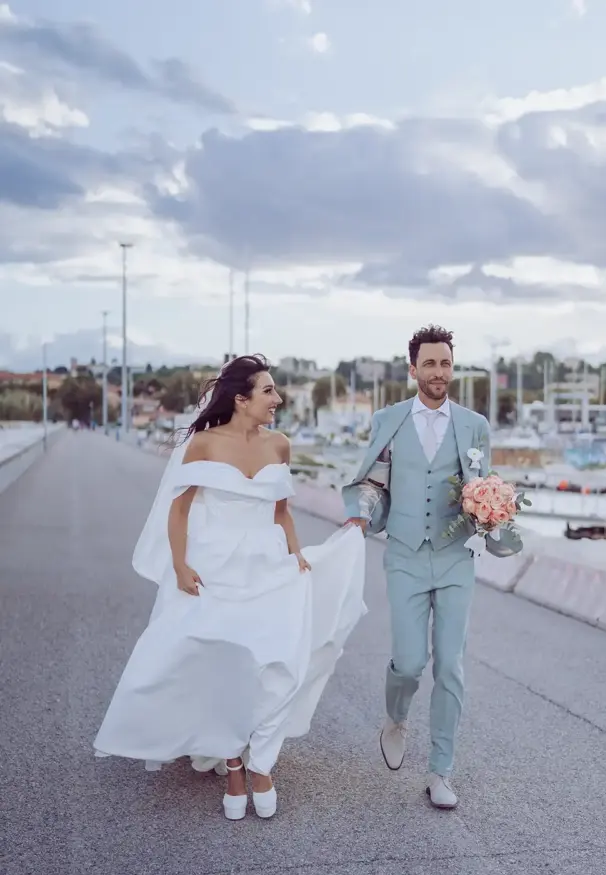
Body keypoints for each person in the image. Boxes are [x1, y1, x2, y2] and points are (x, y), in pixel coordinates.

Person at [94, 354, 366, 820]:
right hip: (214, 567)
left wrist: (296, 554)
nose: (278, 399)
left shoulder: (280, 445)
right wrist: (180, 565)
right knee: (218, 663)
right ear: (241, 399)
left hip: (269, 567)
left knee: (280, 664)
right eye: (268, 391)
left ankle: (262, 764)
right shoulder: (203, 444)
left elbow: (281, 512)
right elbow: (179, 510)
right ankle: (234, 763)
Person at [342, 325, 491, 809]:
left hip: (455, 557)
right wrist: (359, 515)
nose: (438, 372)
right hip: (405, 555)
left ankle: (440, 772)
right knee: (408, 663)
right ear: (413, 369)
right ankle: (396, 717)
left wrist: (493, 510)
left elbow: (482, 484)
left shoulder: (474, 425)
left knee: (450, 665)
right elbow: (373, 481)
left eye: (445, 363)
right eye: (429, 363)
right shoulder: (389, 420)